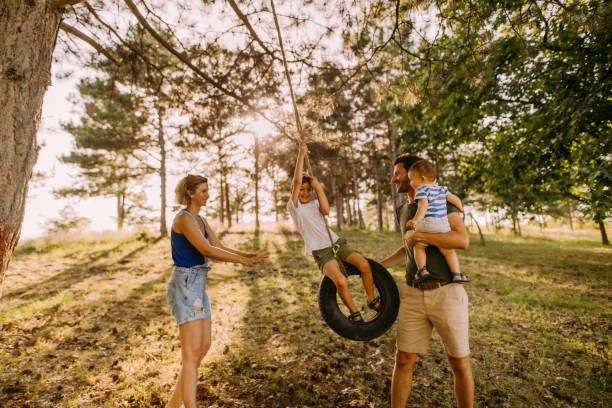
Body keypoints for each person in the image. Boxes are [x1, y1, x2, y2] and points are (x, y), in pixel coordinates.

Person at [165, 174, 268, 408]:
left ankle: (172, 406)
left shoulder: (200, 220)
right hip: (185, 284)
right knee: (191, 356)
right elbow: (206, 249)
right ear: (190, 193)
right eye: (203, 190)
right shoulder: (183, 218)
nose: (207, 194)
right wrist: (242, 263)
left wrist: (247, 255)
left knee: (203, 347)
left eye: (207, 190)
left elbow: (217, 245)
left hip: (198, 285)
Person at [380, 154, 474, 408]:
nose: (394, 178)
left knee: (459, 363)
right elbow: (407, 248)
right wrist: (377, 266)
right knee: (403, 360)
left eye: (398, 173)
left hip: (446, 293)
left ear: (414, 176)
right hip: (412, 294)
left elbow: (461, 240)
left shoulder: (443, 202)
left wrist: (421, 234)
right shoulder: (403, 210)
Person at [287, 143, 381, 322]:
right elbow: (297, 181)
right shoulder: (294, 207)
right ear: (294, 191)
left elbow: (326, 209)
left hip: (336, 243)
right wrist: (301, 156)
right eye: (301, 189)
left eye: (309, 189)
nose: (305, 192)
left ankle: (371, 299)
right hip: (321, 251)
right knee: (341, 281)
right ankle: (354, 313)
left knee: (364, 265)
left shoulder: (314, 205)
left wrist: (319, 187)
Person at [405, 159, 470, 283]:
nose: (411, 183)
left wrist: (415, 220)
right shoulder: (442, 189)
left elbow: (423, 206)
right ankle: (456, 274)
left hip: (427, 223)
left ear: (422, 179)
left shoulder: (421, 189)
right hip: (442, 225)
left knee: (418, 246)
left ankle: (422, 270)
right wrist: (461, 209)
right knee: (449, 251)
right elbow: (455, 199)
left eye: (412, 179)